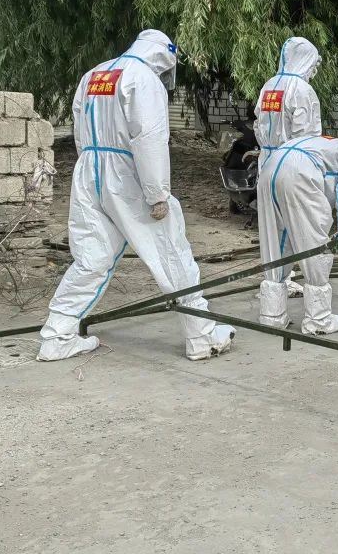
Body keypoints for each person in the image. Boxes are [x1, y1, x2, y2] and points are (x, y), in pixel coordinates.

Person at [38, 30, 235, 362]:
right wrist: (157, 193)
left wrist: (92, 165)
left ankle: (57, 335)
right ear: (162, 56)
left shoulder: (94, 74)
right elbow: (149, 138)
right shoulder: (143, 79)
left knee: (92, 257)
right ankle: (201, 336)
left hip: (89, 170)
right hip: (125, 174)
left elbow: (79, 127)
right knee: (170, 251)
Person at [256, 135, 338, 335]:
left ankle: (272, 316)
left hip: (270, 166)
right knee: (313, 243)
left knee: (276, 239)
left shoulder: (327, 147)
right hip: (302, 173)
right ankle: (319, 320)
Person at [254, 36, 324, 296]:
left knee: (272, 225)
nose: (314, 70)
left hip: (267, 160)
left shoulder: (269, 85)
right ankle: (301, 281)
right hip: (292, 162)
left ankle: (274, 281)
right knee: (298, 222)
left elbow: (258, 123)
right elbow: (307, 135)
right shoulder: (302, 90)